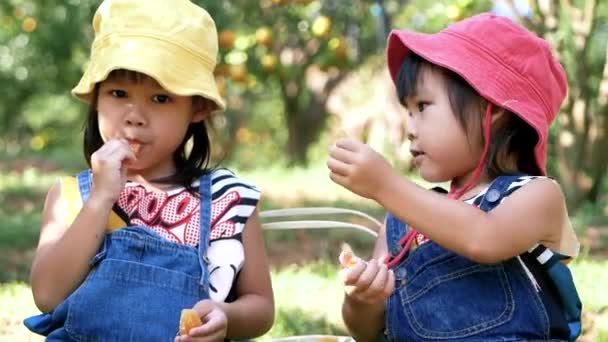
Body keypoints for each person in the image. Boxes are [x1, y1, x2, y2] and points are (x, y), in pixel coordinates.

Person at [24, 0, 274, 340]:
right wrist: (99, 199)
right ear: (96, 98)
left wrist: (226, 315)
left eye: (160, 98)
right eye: (118, 93)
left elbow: (261, 307)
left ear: (197, 108)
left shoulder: (227, 200)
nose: (134, 115)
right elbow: (47, 295)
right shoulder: (69, 197)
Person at [328, 13, 582, 341]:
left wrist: (384, 184)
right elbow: (367, 332)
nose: (410, 128)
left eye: (422, 106)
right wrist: (361, 301)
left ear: (492, 107)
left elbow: (483, 237)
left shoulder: (536, 196)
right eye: (407, 111)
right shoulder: (402, 224)